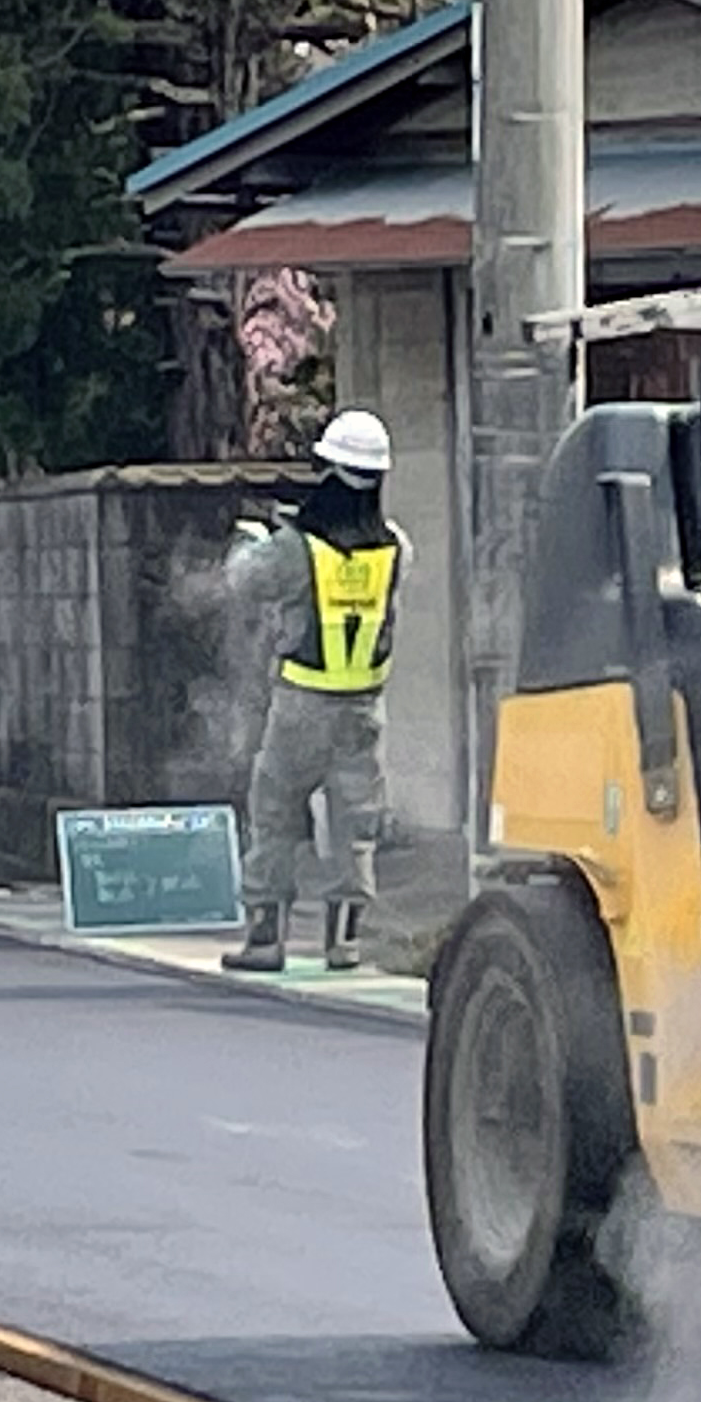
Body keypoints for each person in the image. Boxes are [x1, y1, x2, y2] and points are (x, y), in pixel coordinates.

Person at [224, 406, 403, 976]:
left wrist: (249, 539)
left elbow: (244, 581)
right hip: (364, 709)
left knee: (275, 814)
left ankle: (264, 938)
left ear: (328, 470)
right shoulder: (394, 546)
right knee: (357, 826)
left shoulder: (295, 548)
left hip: (300, 705)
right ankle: (344, 943)